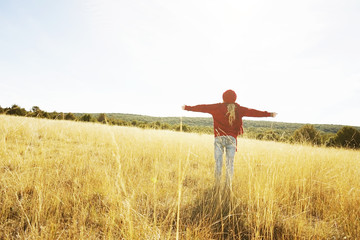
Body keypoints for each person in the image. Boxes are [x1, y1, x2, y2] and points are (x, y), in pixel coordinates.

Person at [182, 89, 277, 187]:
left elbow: (203, 107)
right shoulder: (239, 109)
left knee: (218, 163)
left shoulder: (217, 107)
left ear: (223, 98)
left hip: (219, 138)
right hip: (232, 139)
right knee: (229, 165)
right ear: (235, 98)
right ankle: (228, 187)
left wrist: (187, 108)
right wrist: (269, 114)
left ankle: (217, 186)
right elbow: (253, 112)